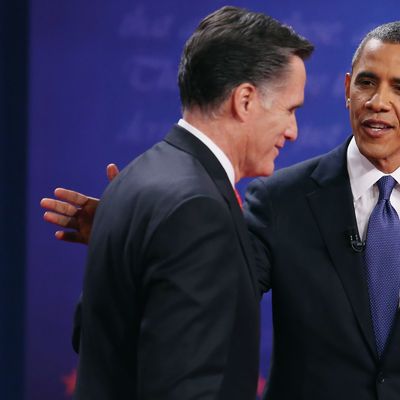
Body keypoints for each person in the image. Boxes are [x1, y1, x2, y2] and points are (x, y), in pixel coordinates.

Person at [41, 6, 313, 399]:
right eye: (290, 110)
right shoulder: (196, 208)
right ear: (246, 100)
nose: (292, 131)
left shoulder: (134, 180)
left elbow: (92, 336)